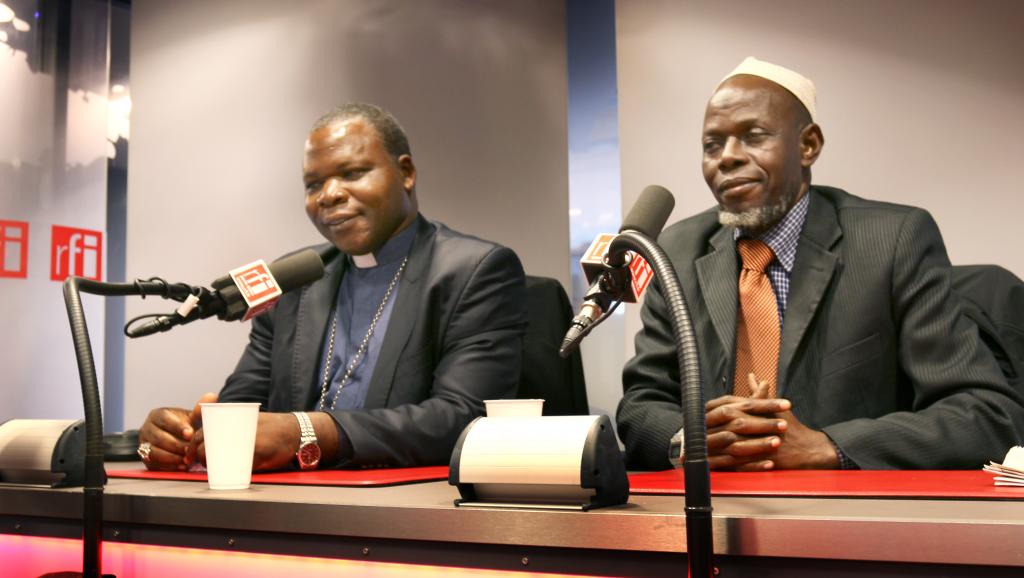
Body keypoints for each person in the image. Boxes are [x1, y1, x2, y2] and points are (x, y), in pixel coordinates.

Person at [617, 57, 1024, 471]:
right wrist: (692, 440)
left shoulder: (892, 241)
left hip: (845, 504)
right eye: (712, 145)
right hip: (712, 498)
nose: (728, 157)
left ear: (808, 145)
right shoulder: (676, 251)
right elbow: (641, 405)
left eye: (754, 137)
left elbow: (985, 414)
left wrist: (827, 447)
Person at [138, 103, 528, 471]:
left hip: (407, 503)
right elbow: (243, 407)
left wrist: (313, 432)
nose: (329, 195)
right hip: (287, 500)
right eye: (313, 184)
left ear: (406, 173)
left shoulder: (474, 270)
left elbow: (465, 418)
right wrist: (185, 436)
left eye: (353, 173)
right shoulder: (291, 280)